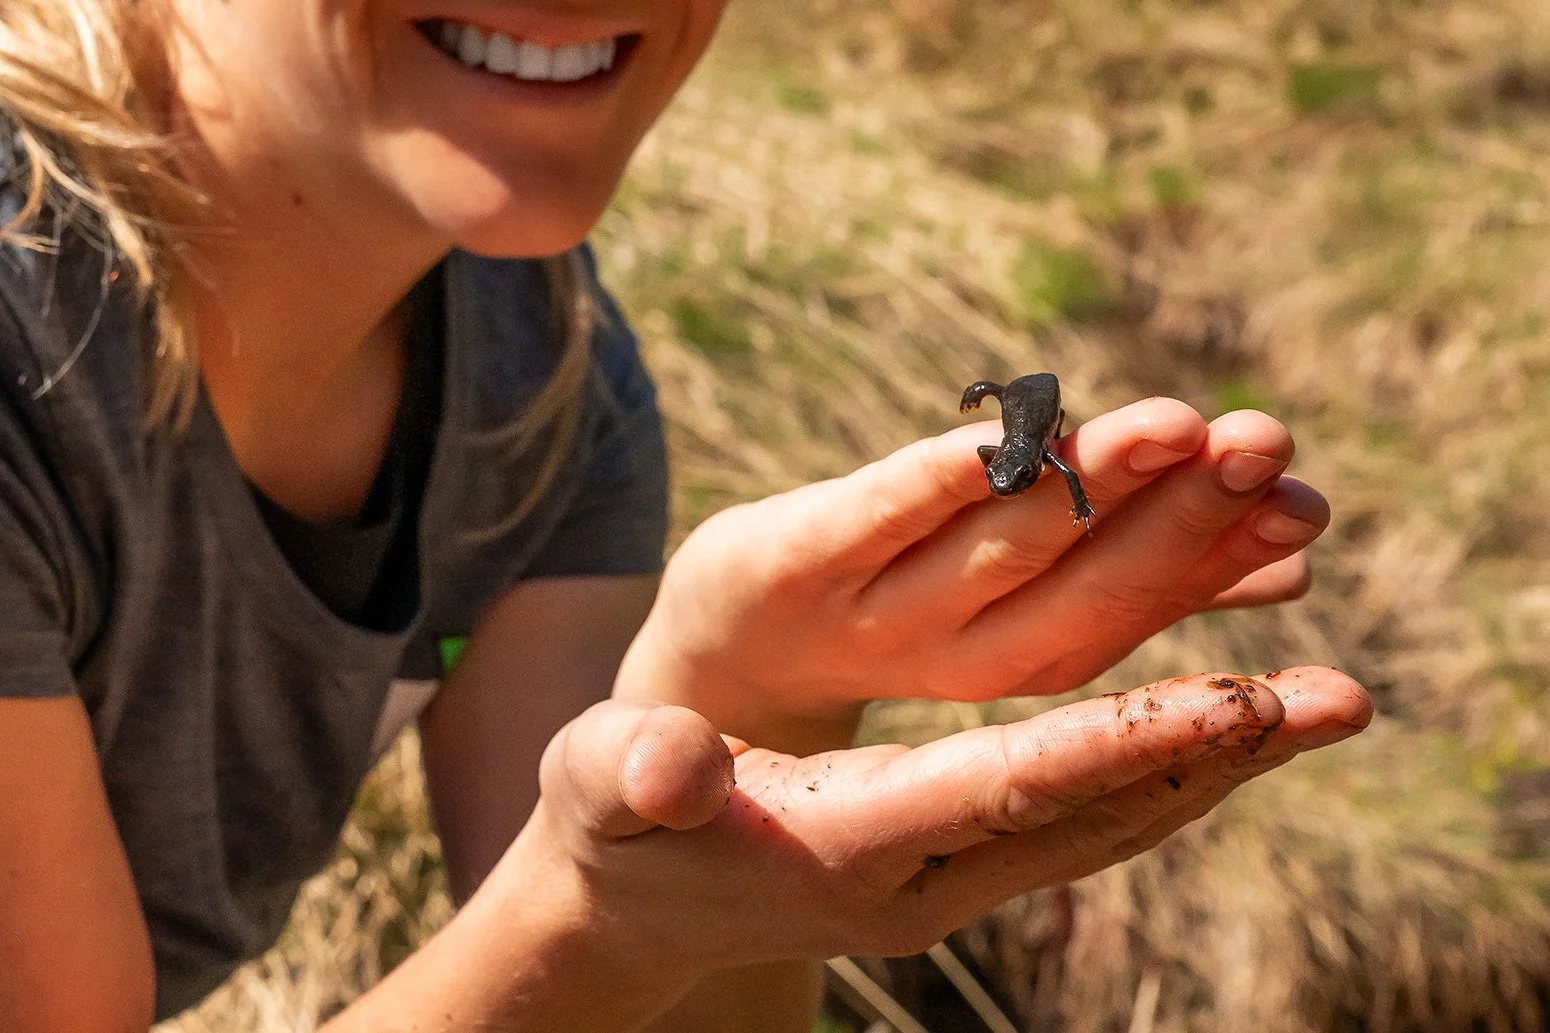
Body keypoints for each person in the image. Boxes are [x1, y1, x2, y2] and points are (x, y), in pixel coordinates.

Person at [0, 1, 1372, 1031]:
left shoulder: (540, 365)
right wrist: (591, 922)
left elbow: (639, 986)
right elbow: (580, 936)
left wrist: (750, 687)